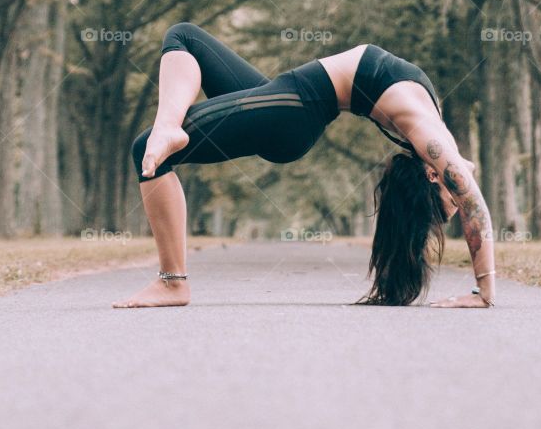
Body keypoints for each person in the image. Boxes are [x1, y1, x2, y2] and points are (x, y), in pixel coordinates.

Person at [112, 22, 496, 309]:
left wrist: (484, 293)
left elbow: (473, 200)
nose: (460, 192)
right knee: (185, 38)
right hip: (286, 101)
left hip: (292, 112)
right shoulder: (433, 135)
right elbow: (472, 196)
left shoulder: (429, 135)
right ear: (433, 173)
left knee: (148, 149)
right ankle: (169, 127)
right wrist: (484, 290)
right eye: (449, 203)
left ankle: (173, 282)